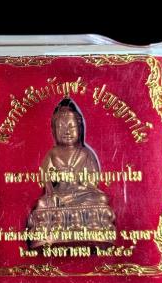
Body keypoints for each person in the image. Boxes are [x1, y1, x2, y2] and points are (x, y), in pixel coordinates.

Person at [27, 98, 114, 245]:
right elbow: (45, 178)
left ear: (80, 129)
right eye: (61, 127)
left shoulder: (85, 153)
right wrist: (52, 193)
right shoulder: (53, 153)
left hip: (81, 193)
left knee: (100, 199)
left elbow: (93, 180)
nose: (67, 131)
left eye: (71, 127)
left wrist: (81, 187)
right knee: (42, 203)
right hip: (59, 195)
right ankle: (53, 231)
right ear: (54, 130)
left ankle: (88, 228)